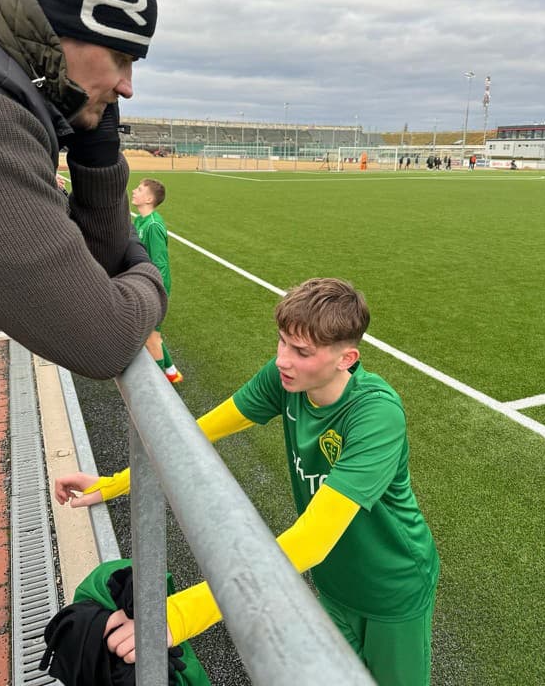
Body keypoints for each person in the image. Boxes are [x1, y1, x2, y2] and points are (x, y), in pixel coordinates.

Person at [56, 278, 440, 686]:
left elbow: (313, 538)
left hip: (393, 586)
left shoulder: (375, 415)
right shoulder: (286, 381)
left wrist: (183, 612)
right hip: (332, 582)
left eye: (301, 352)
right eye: (282, 343)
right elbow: (191, 435)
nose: (283, 360)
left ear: (347, 358)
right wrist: (115, 483)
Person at [0, 0, 168, 380]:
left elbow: (98, 261)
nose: (127, 86)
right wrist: (151, 276)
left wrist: (99, 154)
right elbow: (102, 339)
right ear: (58, 23)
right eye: (120, 57)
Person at [131, 179, 183, 383]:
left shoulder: (153, 225)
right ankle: (171, 372)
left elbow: (160, 262)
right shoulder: (140, 221)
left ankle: (160, 386)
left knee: (151, 336)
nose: (134, 191)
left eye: (140, 189)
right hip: (145, 283)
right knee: (152, 333)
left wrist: (155, 290)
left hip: (154, 286)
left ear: (149, 199)